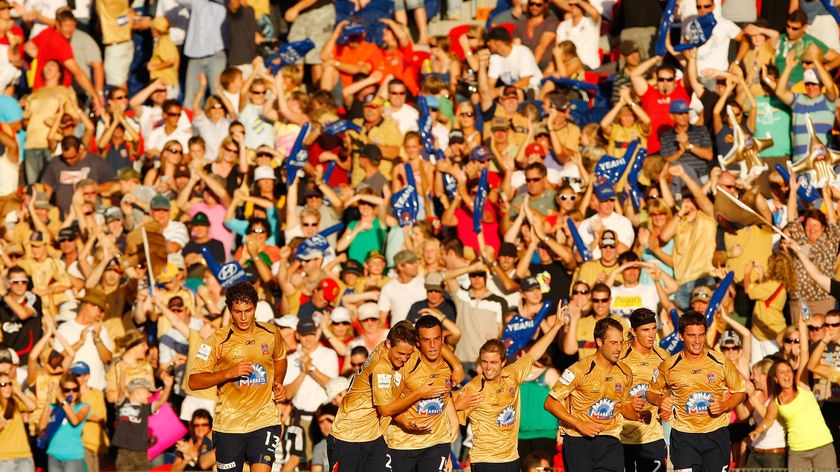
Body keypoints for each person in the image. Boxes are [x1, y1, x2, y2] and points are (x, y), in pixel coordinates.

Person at [188, 281, 288, 472]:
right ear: (229, 310)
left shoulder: (271, 333)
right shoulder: (216, 340)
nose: (243, 317)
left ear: (255, 308)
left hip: (264, 419)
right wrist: (229, 373)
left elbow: (280, 357)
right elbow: (194, 381)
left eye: (248, 310)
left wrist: (278, 382)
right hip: (229, 424)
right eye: (237, 311)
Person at [328, 320, 448, 471]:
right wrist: (419, 393)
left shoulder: (387, 345)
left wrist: (456, 366)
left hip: (373, 437)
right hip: (348, 437)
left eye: (408, 355)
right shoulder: (381, 367)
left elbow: (432, 343)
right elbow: (385, 410)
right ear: (389, 344)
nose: (404, 359)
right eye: (401, 354)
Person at [453, 313, 563, 471]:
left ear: (503, 362)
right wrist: (456, 405)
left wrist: (557, 326)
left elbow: (534, 353)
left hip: (511, 458)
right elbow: (445, 407)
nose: (488, 367)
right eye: (484, 362)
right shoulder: (474, 387)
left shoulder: (512, 374)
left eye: (493, 362)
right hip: (485, 460)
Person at [645, 310, 747, 472]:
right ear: (681, 336)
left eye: (701, 335)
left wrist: (724, 405)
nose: (698, 340)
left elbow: (740, 392)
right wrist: (659, 401)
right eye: (692, 335)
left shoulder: (721, 362)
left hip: (715, 433)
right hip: (684, 436)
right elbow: (650, 392)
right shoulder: (669, 365)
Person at [544, 317, 641, 471]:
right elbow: (550, 403)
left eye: (621, 342)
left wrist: (637, 415)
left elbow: (623, 406)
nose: (619, 348)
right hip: (578, 441)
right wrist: (580, 425)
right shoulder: (578, 370)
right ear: (599, 341)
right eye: (613, 343)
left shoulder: (625, 372)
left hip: (610, 440)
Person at [385, 315, 464, 471]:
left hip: (436, 442)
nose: (433, 345)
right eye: (426, 341)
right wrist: (405, 423)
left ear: (442, 339)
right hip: (403, 442)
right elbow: (388, 404)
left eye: (436, 339)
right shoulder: (406, 361)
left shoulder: (449, 364)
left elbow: (445, 394)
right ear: (418, 342)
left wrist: (453, 419)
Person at [749, 359, 837, 470]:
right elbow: (768, 419)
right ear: (775, 379)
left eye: (788, 371)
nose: (786, 375)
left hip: (822, 448)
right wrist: (758, 431)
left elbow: (805, 352)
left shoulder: (802, 385)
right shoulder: (776, 401)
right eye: (781, 372)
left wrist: (805, 341)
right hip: (798, 453)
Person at [618, 308, 668, 472]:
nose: (652, 334)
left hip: (652, 436)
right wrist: (626, 401)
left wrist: (666, 407)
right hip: (621, 435)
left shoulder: (664, 357)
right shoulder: (618, 356)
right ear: (633, 331)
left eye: (654, 328)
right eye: (646, 330)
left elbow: (668, 390)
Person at [0, 370, 36, 472]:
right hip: (4, 459)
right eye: (3, 384)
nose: (7, 387)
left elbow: (32, 406)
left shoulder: (15, 403)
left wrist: (18, 392)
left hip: (24, 456)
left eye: (9, 384)